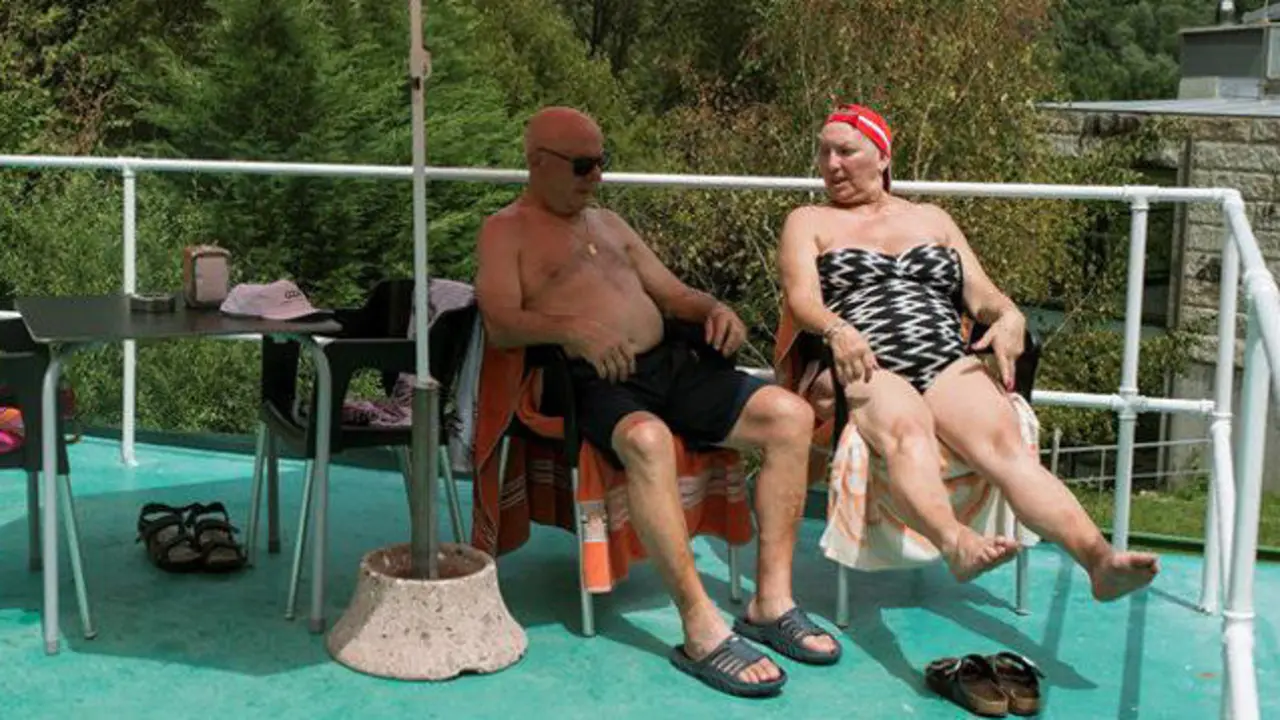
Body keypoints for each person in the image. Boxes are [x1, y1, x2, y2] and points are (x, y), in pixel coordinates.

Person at [474, 107, 840, 697]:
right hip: (591, 381)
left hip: (670, 366)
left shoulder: (609, 223)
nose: (597, 176)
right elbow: (500, 323)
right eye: (583, 165)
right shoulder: (505, 230)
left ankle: (771, 602)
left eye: (602, 162)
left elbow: (673, 295)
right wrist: (573, 331)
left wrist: (713, 309)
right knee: (647, 441)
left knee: (790, 417)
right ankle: (700, 626)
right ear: (538, 162)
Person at [776, 103, 1160, 601]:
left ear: (883, 156)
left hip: (945, 361)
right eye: (824, 152)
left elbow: (981, 293)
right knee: (906, 434)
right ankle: (956, 543)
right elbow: (802, 299)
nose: (831, 164)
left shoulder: (932, 218)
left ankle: (1099, 560)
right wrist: (836, 330)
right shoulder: (809, 220)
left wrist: (1009, 315)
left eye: (845, 151)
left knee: (1005, 447)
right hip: (872, 363)